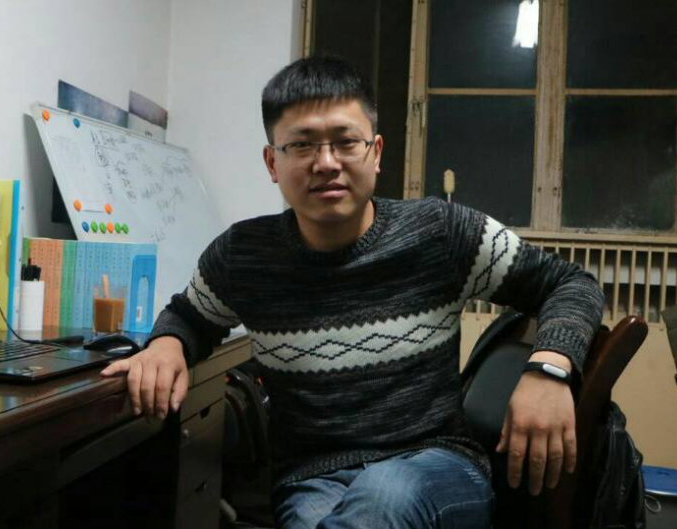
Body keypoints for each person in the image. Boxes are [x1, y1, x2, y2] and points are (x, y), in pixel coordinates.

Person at [101, 56, 605, 528]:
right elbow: (190, 316)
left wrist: (549, 369)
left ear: (376, 152)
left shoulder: (440, 233)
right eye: (302, 145)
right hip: (312, 480)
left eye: (345, 142)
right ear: (272, 162)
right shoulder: (243, 256)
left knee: (383, 496)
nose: (326, 162)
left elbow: (571, 283)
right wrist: (166, 344)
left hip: (438, 466)